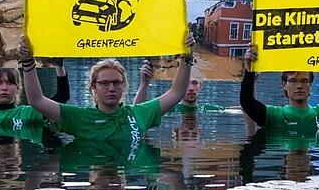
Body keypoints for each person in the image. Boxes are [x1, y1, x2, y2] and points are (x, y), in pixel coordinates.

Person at [20, 34, 194, 140]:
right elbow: (37, 101)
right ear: (93, 87)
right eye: (104, 83)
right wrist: (28, 61)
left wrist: (186, 57)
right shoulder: (79, 117)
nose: (111, 88)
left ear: (124, 86)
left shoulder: (139, 113)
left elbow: (176, 92)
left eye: (116, 82)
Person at [133, 62, 223, 113]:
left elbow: (235, 110)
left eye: (194, 83)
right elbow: (138, 112)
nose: (191, 88)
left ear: (201, 86)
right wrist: (144, 83)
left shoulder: (209, 109)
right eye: (186, 84)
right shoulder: (169, 110)